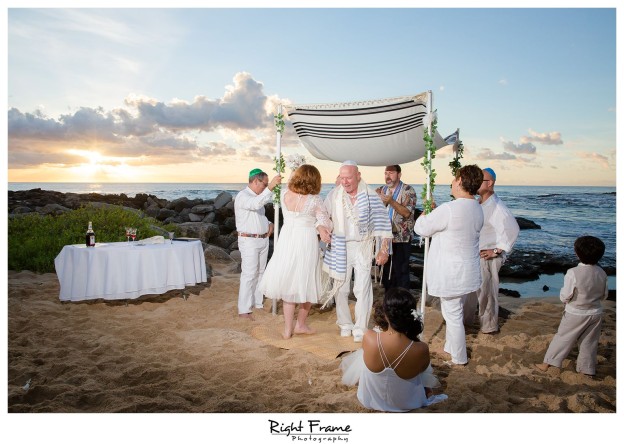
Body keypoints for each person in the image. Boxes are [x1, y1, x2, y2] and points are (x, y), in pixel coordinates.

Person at [414, 165, 484, 365]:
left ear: (461, 181)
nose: (452, 183)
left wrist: (424, 213)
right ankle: (450, 348)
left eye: (454, 179)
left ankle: (459, 357)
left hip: (452, 271)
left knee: (453, 315)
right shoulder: (477, 207)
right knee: (454, 310)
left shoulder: (450, 209)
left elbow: (422, 229)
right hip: (467, 270)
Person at [340, 288, 446, 412]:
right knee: (422, 369)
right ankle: (427, 392)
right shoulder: (421, 348)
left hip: (370, 401)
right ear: (412, 315)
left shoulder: (369, 337)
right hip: (408, 404)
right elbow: (423, 372)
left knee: (364, 356)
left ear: (385, 314)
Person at [258, 164, 332, 339]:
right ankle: (300, 325)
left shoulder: (284, 193)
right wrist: (322, 228)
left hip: (287, 240)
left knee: (289, 284)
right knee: (307, 282)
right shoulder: (315, 200)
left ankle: (287, 330)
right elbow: (325, 222)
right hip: (305, 241)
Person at [323, 160, 393, 342]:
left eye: (349, 178)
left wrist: (383, 250)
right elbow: (323, 215)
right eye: (342, 178)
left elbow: (384, 224)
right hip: (340, 245)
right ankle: (345, 324)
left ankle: (360, 328)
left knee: (363, 288)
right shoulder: (334, 194)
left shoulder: (370, 195)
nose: (345, 182)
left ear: (358, 176)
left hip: (363, 245)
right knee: (341, 286)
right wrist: (322, 228)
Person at [535, 236, 608, 377]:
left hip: (575, 312)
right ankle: (587, 369)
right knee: (590, 342)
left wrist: (565, 299)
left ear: (577, 253)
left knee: (563, 337)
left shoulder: (573, 272)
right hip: (595, 313)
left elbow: (566, 295)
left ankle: (548, 363)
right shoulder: (602, 273)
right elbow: (604, 295)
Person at [468, 167, 520, 333]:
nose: (475, 182)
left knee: (487, 293)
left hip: (488, 256)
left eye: (479, 180)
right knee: (475, 292)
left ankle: (489, 327)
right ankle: (470, 320)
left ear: (489, 183)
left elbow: (513, 229)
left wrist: (497, 251)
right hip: (477, 255)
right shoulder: (479, 202)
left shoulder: (497, 207)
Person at [234, 168, 281, 319]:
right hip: (249, 241)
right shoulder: (243, 196)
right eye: (264, 184)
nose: (265, 187)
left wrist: (269, 223)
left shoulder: (256, 196)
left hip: (262, 239)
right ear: (255, 181)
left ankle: (258, 302)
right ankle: (244, 309)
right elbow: (253, 205)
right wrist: (271, 188)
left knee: (261, 272)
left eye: (267, 184)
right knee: (249, 274)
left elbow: (255, 215)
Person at [375, 165, 417, 292]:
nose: (388, 176)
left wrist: (391, 201)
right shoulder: (381, 190)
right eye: (386, 173)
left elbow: (407, 213)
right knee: (387, 275)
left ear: (399, 175)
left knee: (401, 274)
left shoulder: (408, 190)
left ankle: (403, 304)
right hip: (385, 240)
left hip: (401, 239)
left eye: (391, 173)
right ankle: (390, 303)